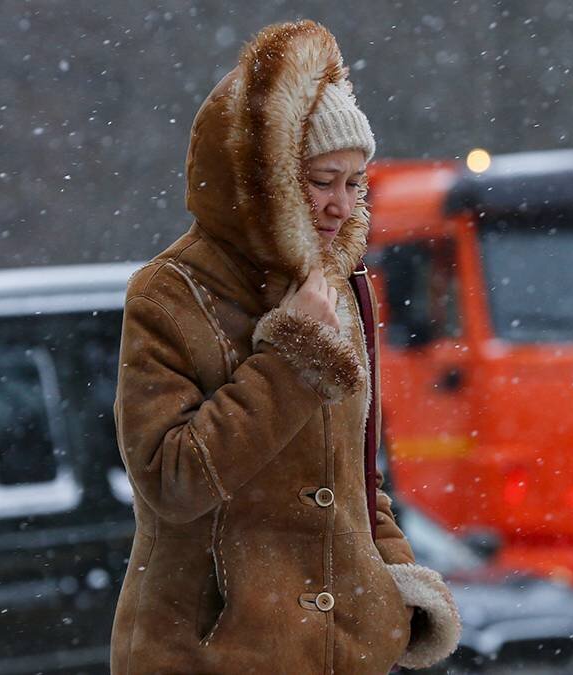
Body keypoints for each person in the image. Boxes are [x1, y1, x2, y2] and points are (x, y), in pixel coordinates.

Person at [109, 20, 460, 674]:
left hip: (344, 655)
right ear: (265, 180)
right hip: (213, 655)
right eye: (323, 179)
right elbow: (172, 480)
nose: (341, 204)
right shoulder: (169, 292)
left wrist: (397, 582)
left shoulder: (345, 286)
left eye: (356, 182)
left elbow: (356, 475)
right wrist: (293, 357)